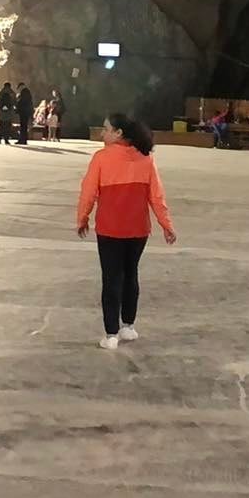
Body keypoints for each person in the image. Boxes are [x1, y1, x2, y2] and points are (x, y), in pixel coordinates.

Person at [75, 113, 178, 349]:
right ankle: (128, 326)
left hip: (110, 229)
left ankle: (111, 333)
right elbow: (157, 196)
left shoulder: (101, 158)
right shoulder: (146, 158)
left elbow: (88, 192)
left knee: (111, 278)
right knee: (131, 275)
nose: (102, 133)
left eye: (106, 129)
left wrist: (82, 218)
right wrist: (166, 225)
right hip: (138, 230)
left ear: (118, 133)